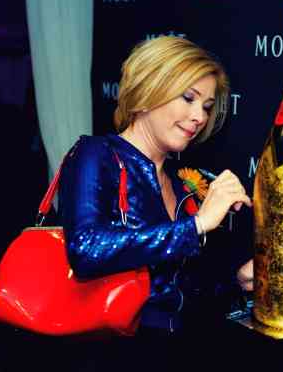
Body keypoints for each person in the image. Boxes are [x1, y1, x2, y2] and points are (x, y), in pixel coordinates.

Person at [58, 36, 253, 337]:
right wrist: (197, 225)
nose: (199, 117)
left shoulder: (182, 180)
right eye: (188, 98)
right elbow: (85, 250)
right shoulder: (96, 154)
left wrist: (237, 278)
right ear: (148, 91)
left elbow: (177, 283)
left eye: (207, 106)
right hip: (114, 349)